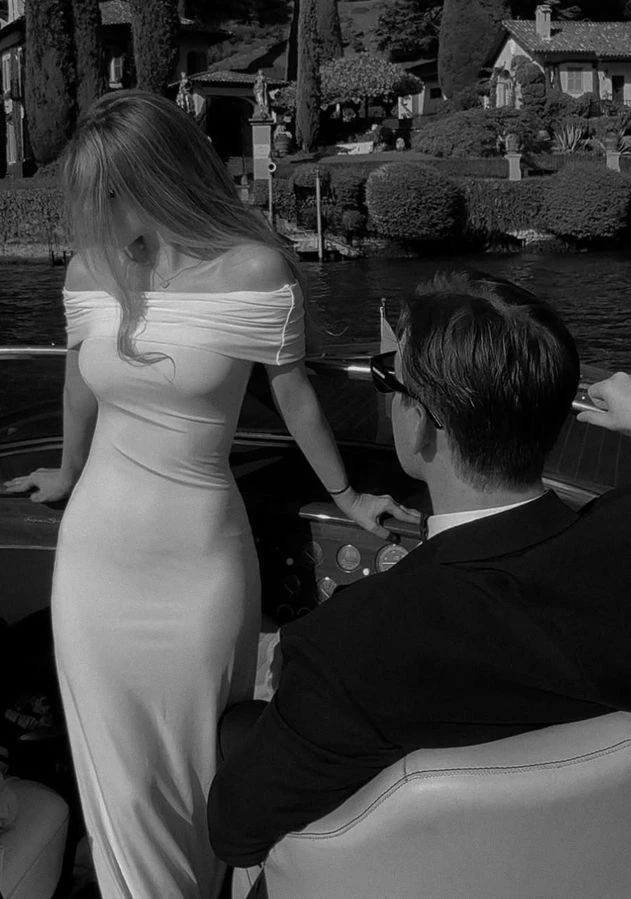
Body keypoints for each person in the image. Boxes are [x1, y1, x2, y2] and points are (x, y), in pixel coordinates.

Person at [1, 90, 418, 899]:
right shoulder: (91, 272)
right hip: (93, 563)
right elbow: (79, 387)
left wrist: (347, 495)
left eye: (105, 193)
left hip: (200, 564)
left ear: (156, 176)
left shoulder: (255, 270)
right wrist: (67, 471)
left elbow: (295, 397)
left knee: (197, 767)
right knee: (118, 781)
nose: (93, 214)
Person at [207, 271, 631, 890]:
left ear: (422, 424)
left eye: (389, 378)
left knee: (239, 727)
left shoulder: (350, 644)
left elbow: (234, 833)